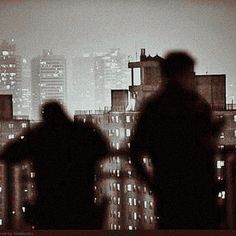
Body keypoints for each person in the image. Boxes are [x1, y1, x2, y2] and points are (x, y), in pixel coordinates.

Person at [130, 52, 223, 229]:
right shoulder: (197, 106)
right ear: (183, 74)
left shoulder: (154, 108)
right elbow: (202, 146)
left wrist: (153, 184)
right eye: (190, 73)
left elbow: (135, 150)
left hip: (170, 195)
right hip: (201, 195)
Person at [1, 101, 109, 229]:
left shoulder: (40, 136)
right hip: (82, 205)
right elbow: (103, 149)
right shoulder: (83, 132)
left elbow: (9, 154)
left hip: (49, 207)